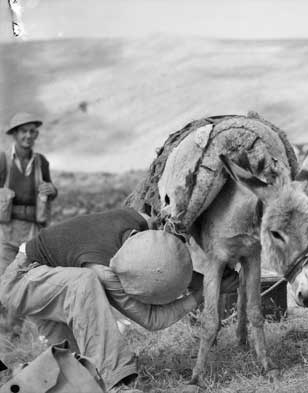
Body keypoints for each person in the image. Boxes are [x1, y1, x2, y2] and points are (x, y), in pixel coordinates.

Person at [0, 208, 238, 393]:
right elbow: (152, 319)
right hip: (23, 279)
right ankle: (119, 382)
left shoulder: (142, 221)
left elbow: (162, 264)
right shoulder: (103, 268)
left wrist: (209, 280)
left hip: (52, 278)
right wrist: (204, 292)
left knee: (74, 373)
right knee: (83, 282)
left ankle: (15, 379)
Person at [0, 112, 57, 273]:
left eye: (32, 131)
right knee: (3, 279)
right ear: (15, 134)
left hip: (34, 229)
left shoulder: (41, 162)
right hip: (6, 230)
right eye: (24, 131)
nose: (28, 135)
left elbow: (51, 189)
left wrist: (52, 190)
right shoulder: (2, 160)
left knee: (30, 277)